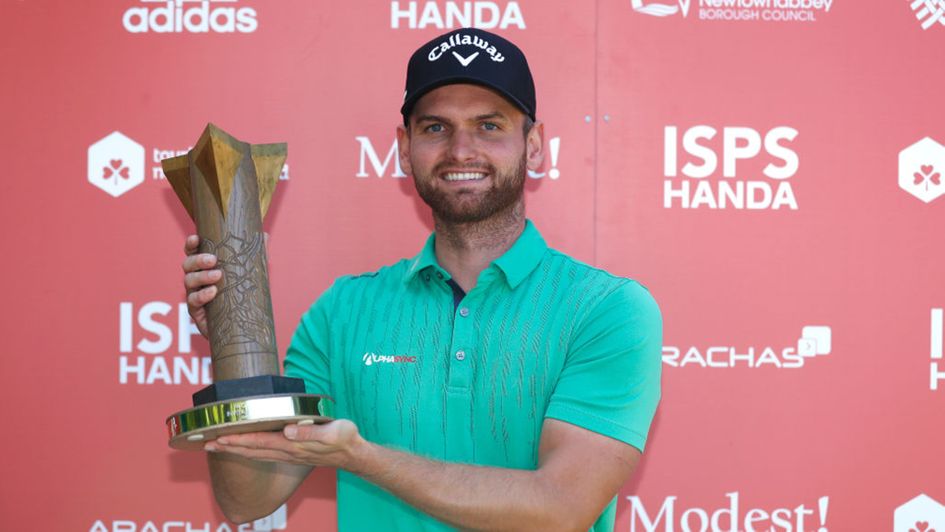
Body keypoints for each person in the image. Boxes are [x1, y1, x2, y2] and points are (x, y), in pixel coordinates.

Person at [181, 28, 662, 532]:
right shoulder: (342, 310)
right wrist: (235, 340)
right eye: (435, 128)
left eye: (489, 126)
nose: (461, 149)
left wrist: (364, 458)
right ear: (405, 149)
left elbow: (560, 507)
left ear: (534, 145)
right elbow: (247, 500)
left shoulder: (608, 309)